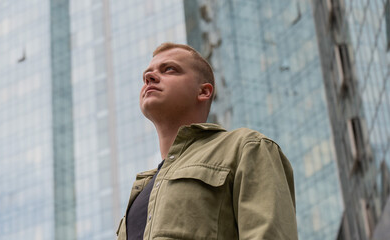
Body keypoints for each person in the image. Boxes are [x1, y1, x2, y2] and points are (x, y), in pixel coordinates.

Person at [116, 42, 298, 240]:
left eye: (169, 69)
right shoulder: (139, 194)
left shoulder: (245, 147)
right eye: (146, 76)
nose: (149, 77)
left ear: (203, 92)